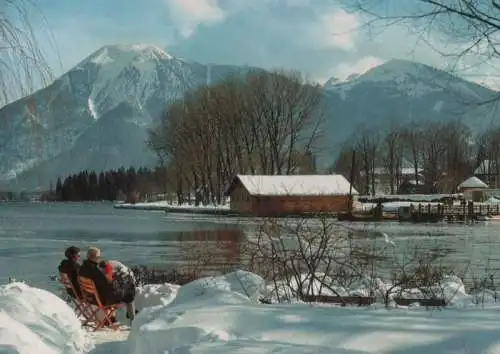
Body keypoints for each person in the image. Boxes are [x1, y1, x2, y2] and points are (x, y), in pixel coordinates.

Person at [78, 247, 136, 321]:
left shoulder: (83, 267)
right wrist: (117, 282)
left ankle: (115, 316)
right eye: (99, 257)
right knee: (130, 289)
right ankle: (133, 319)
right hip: (103, 300)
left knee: (125, 289)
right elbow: (109, 286)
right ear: (96, 257)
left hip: (90, 297)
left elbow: (101, 283)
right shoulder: (94, 270)